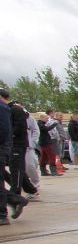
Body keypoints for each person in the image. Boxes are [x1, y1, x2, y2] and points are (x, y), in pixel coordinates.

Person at [0, 89, 28, 224]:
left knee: (15, 172)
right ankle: (15, 200)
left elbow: (4, 130)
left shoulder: (5, 108)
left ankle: (2, 214)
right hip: (6, 146)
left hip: (6, 147)